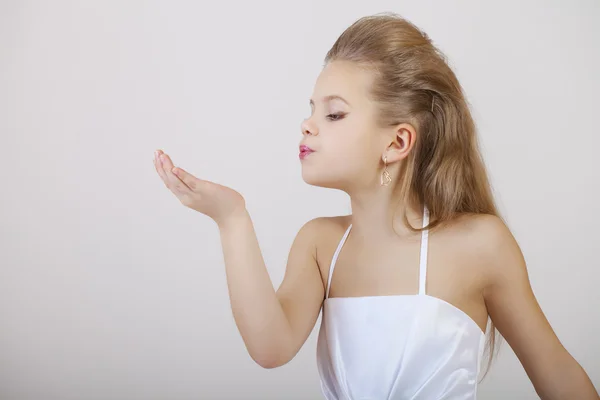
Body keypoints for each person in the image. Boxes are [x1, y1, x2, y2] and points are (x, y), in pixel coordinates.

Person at [152, 12, 598, 400]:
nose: (307, 125)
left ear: (398, 141)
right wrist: (232, 219)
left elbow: (557, 376)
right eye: (311, 110)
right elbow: (270, 347)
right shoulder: (319, 244)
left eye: (334, 113)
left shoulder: (481, 244)